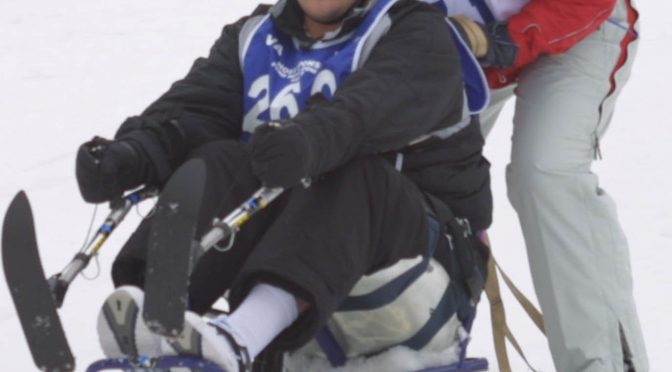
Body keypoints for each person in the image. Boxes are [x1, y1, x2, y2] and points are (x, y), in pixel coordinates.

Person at [75, 0, 493, 370]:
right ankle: (156, 323)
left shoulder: (417, 32)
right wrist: (134, 155)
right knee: (219, 160)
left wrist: (307, 139)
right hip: (303, 257)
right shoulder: (255, 36)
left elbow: (367, 110)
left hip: (425, 264)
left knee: (344, 169)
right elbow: (194, 110)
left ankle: (240, 337)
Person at [427, 0, 649, 370]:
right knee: (401, 181)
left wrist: (500, 40)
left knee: (545, 172)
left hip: (579, 23)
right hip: (452, 51)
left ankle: (605, 363)